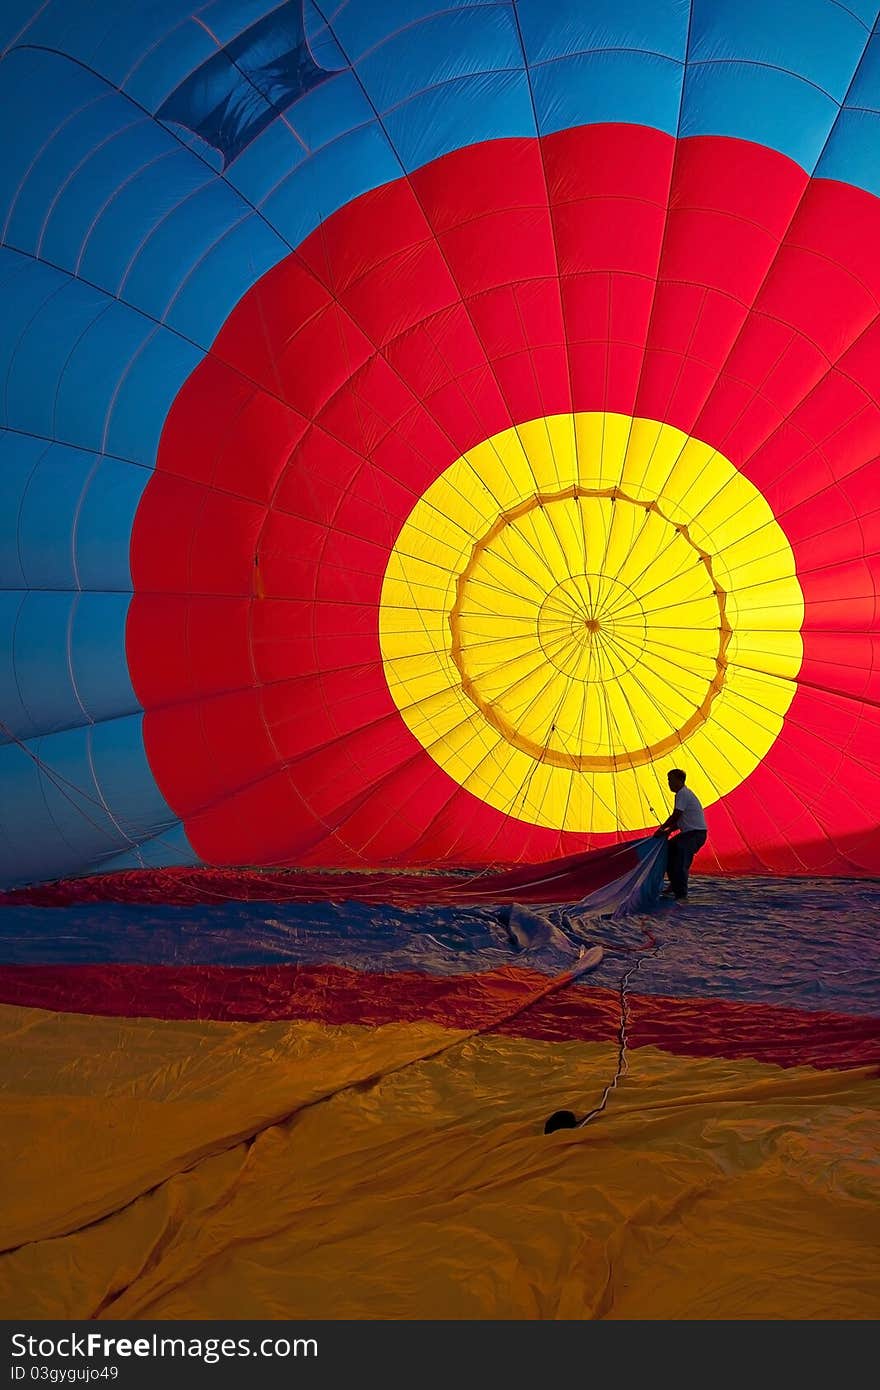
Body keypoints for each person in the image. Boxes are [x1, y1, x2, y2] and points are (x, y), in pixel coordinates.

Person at [654, 769, 707, 901]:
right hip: (690, 833)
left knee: (680, 862)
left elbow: (676, 815)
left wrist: (662, 829)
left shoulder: (683, 794)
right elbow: (682, 820)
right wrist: (668, 831)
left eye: (670, 780)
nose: (669, 783)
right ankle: (674, 885)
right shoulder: (683, 794)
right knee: (670, 850)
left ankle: (681, 895)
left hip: (694, 835)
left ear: (679, 780)